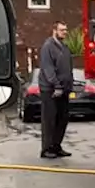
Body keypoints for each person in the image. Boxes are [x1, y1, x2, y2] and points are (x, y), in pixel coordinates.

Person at [38, 21, 75, 158]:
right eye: (61, 30)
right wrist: (56, 85)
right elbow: (48, 69)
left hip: (64, 90)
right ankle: (46, 149)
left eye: (65, 30)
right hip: (50, 90)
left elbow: (68, 69)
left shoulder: (64, 48)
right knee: (49, 120)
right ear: (54, 30)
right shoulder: (48, 47)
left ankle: (56, 146)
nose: (64, 32)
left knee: (62, 118)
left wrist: (69, 86)